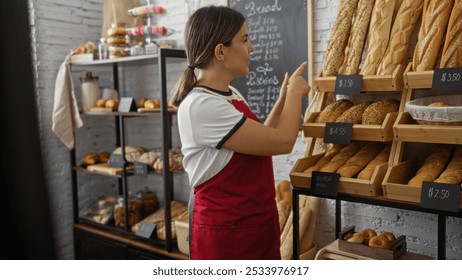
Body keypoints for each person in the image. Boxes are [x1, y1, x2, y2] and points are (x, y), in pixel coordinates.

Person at [170, 6, 310, 260]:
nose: (252, 48)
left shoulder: (230, 95)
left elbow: (260, 140)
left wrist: (280, 102)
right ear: (220, 51)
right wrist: (295, 94)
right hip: (227, 238)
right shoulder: (201, 106)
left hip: (255, 228)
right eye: (245, 40)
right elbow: (283, 142)